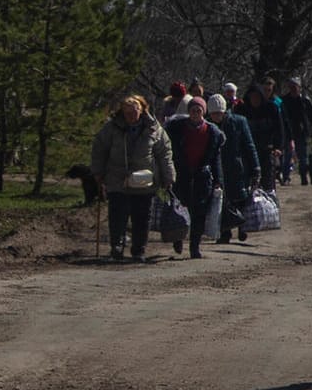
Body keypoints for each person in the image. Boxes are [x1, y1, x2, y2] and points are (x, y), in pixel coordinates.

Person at [88, 94, 174, 263]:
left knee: (142, 217)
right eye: (127, 113)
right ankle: (117, 247)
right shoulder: (111, 128)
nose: (131, 116)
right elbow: (99, 149)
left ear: (142, 110)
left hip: (144, 182)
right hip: (118, 179)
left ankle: (138, 250)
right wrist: (97, 172)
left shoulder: (153, 128)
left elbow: (164, 153)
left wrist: (168, 176)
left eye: (134, 112)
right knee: (117, 216)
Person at [165, 94, 223, 258]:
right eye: (193, 110)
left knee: (199, 213)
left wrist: (218, 180)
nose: (196, 113)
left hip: (202, 177)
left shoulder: (212, 133)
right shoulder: (177, 129)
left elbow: (215, 159)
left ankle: (194, 247)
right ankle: (178, 238)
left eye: (199, 110)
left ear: (203, 112)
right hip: (181, 175)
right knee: (180, 210)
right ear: (188, 111)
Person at [206, 93, 260, 244]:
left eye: (218, 113)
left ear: (224, 111)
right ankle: (225, 232)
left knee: (240, 199)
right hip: (217, 168)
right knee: (221, 200)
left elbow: (249, 145)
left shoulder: (239, 121)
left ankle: (242, 225)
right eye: (213, 113)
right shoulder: (208, 126)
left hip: (237, 166)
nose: (216, 116)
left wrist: (256, 167)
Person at [240, 83, 288, 188]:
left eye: (257, 97)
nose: (255, 100)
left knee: (268, 182)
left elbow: (279, 130)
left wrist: (278, 147)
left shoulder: (271, 108)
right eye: (252, 97)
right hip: (249, 151)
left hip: (267, 149)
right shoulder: (242, 110)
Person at [282, 78, 312, 184]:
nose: (293, 89)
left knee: (303, 156)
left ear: (299, 88)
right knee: (287, 155)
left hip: (301, 131)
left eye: (295, 87)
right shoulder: (284, 100)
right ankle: (285, 177)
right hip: (288, 131)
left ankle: (303, 177)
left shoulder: (305, 100)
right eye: (291, 87)